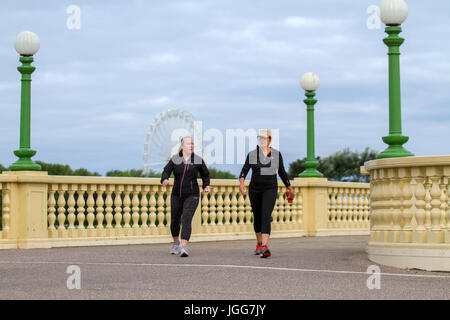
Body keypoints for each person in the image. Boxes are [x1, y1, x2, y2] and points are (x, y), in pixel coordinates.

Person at [239, 129, 294, 258]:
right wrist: (242, 184)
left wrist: (290, 188)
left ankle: (265, 246)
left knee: (265, 215)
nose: (262, 140)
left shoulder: (276, 154)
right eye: (260, 138)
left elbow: (282, 172)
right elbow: (244, 171)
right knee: (257, 217)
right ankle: (259, 242)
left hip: (270, 188)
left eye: (264, 138)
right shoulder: (252, 154)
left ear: (270, 139)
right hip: (255, 189)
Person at [160, 136, 211, 257]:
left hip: (192, 195)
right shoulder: (175, 159)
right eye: (189, 143)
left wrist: (206, 186)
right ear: (183, 146)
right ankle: (176, 243)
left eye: (193, 143)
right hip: (176, 194)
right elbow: (166, 170)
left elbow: (205, 175)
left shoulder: (198, 160)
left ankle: (183, 247)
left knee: (186, 219)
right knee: (175, 220)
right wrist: (164, 179)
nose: (191, 145)